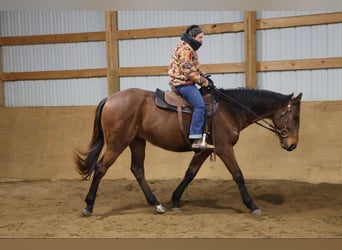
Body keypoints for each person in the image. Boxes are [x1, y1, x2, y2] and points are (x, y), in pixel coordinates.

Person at [168, 24, 214, 150]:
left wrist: (205, 77)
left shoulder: (189, 47)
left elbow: (195, 67)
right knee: (199, 105)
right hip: (183, 84)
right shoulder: (186, 49)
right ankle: (196, 138)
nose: (201, 41)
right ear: (193, 37)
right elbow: (187, 69)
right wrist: (203, 82)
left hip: (187, 82)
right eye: (200, 38)